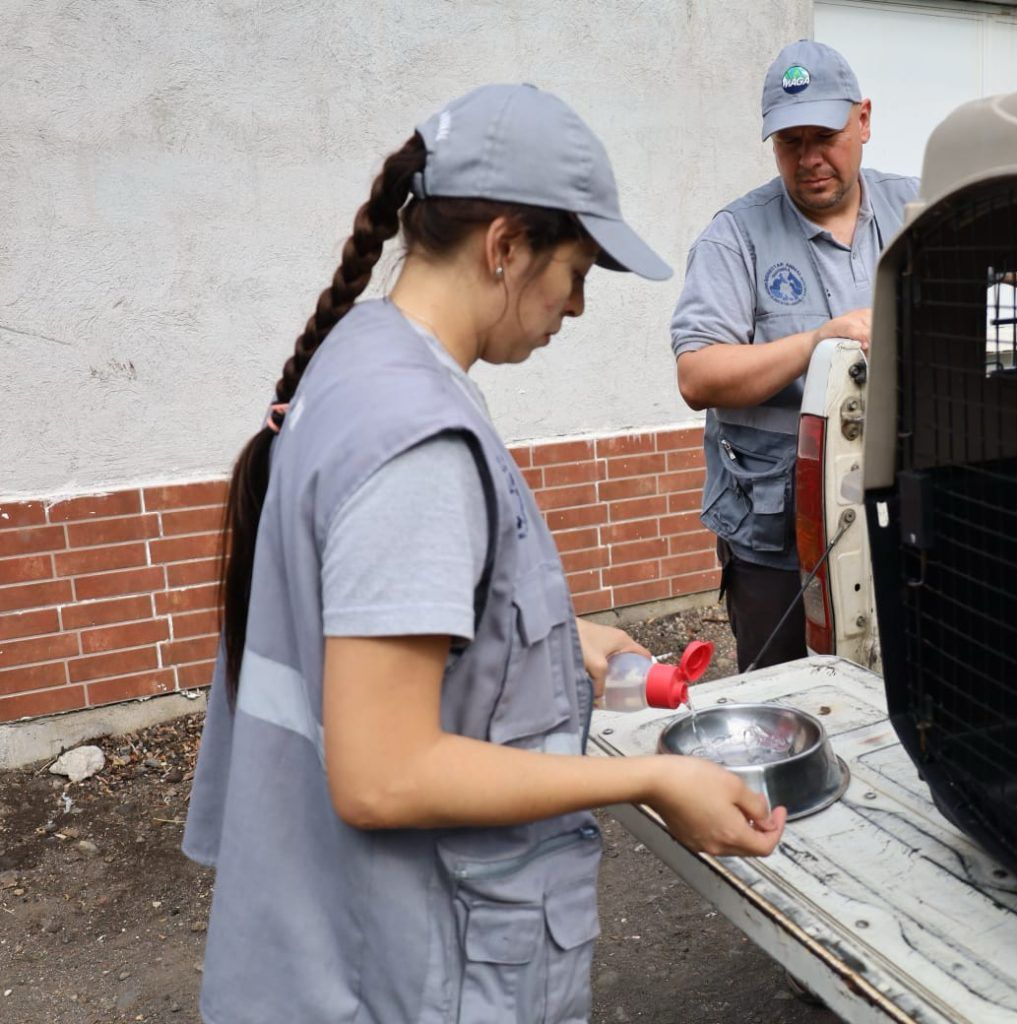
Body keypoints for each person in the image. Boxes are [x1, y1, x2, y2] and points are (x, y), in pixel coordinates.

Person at [182, 84, 786, 1024]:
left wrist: (558, 637)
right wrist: (653, 778)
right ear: (505, 246)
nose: (577, 307)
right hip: (408, 968)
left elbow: (379, 620)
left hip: (318, 939)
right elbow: (385, 775)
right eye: (576, 272)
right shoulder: (417, 440)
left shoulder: (356, 363)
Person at [671, 40, 919, 672]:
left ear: (863, 120)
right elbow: (698, 375)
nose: (809, 160)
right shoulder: (737, 237)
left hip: (899, 515)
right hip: (777, 538)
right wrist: (815, 342)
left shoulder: (914, 208)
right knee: (783, 697)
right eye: (790, 142)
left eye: (824, 135)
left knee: (905, 683)